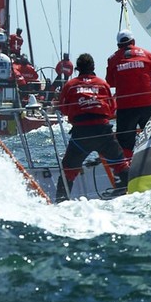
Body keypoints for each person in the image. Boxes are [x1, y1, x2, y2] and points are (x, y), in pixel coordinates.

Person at [55, 53, 130, 201]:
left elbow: (63, 108)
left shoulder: (70, 85)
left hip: (81, 135)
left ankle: (60, 202)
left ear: (77, 69)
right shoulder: (102, 84)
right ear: (93, 68)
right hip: (103, 133)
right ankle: (129, 193)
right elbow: (112, 108)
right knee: (121, 165)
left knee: (68, 171)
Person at [106, 29, 151, 160]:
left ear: (118, 45)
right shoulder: (146, 54)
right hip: (147, 104)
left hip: (125, 107)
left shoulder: (112, 59)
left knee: (125, 143)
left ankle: (127, 169)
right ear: (133, 41)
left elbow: (109, 82)